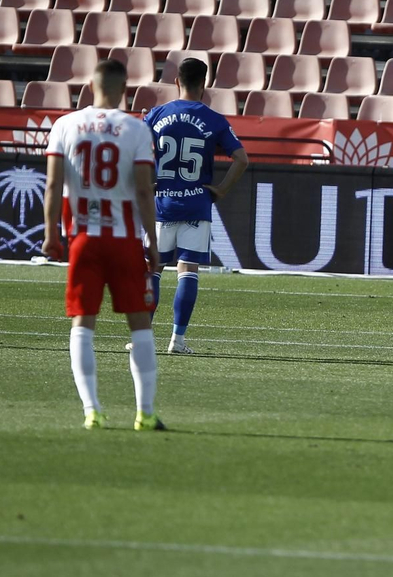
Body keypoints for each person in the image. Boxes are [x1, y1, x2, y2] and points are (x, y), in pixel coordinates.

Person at [42, 60, 165, 431]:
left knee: (83, 322)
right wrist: (152, 242)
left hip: (83, 239)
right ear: (124, 87)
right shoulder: (136, 129)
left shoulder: (66, 125)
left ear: (90, 85)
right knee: (140, 324)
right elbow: (144, 191)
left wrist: (50, 234)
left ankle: (91, 409)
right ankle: (144, 412)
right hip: (123, 238)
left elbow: (51, 186)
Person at [142, 58, 248, 355]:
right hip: (197, 205)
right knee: (187, 270)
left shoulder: (156, 115)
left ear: (176, 82)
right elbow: (241, 159)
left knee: (153, 270)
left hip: (162, 204)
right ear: (205, 84)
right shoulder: (214, 119)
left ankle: (143, 338)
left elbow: (132, 149)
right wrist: (222, 190)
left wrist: (145, 184)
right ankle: (178, 340)